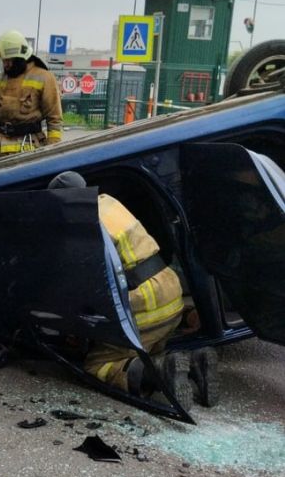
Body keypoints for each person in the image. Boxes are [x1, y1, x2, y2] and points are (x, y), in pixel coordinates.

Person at [47, 171, 219, 409]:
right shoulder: (109, 203)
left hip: (143, 306)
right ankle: (194, 362)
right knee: (145, 352)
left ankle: (157, 374)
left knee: (99, 365)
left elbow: (87, 287)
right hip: (170, 292)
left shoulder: (79, 222)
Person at [0, 29, 62, 164]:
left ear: (20, 58)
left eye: (9, 61)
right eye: (3, 61)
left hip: (30, 149)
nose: (5, 65)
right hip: (0, 152)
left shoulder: (44, 78)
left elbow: (54, 119)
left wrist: (52, 149)